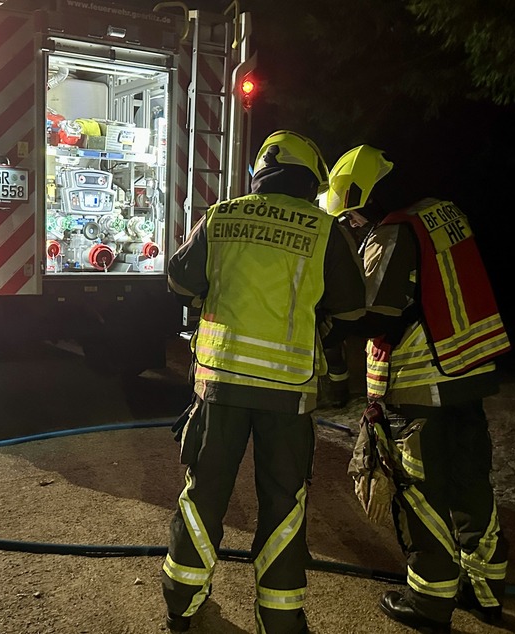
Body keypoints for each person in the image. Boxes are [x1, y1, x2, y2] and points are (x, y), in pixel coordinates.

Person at [161, 130, 367, 633]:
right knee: (284, 501)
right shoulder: (324, 230)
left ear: (261, 172)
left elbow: (179, 281)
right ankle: (279, 617)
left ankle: (181, 599)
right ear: (310, 177)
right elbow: (353, 306)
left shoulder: (222, 216)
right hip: (287, 393)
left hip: (220, 384)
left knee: (204, 490)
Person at [324, 145, 512, 633]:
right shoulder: (445, 215)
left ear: (365, 196)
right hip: (468, 373)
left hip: (420, 386)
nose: (355, 223)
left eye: (353, 213)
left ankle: (430, 602)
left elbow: (375, 313)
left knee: (419, 493)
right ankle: (486, 592)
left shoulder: (395, 230)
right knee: (472, 486)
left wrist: (330, 311)